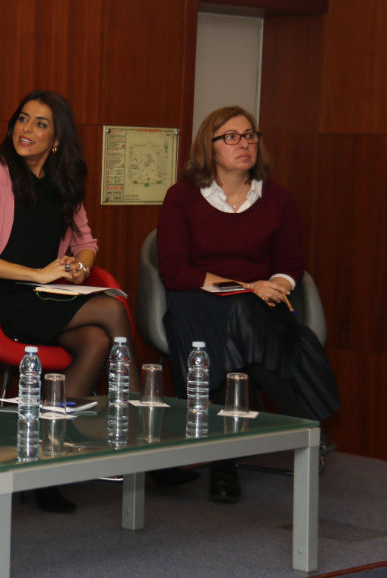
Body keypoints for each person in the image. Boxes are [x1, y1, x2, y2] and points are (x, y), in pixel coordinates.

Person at [0, 90, 142, 513]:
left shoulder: (63, 179)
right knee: (111, 308)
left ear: (57, 140)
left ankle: (42, 457)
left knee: (96, 340)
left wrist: (79, 266)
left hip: (49, 294)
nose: (27, 130)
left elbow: (87, 243)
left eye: (40, 124)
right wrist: (37, 274)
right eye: (22, 119)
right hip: (4, 296)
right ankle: (140, 421)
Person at [157, 105, 340, 504]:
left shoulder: (278, 198)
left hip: (257, 307)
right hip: (197, 301)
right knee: (240, 319)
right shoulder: (182, 197)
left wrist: (274, 283)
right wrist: (246, 286)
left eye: (251, 135)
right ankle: (306, 421)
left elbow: (292, 265)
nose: (245, 143)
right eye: (232, 137)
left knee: (243, 328)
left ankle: (225, 466)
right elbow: (174, 271)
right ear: (211, 146)